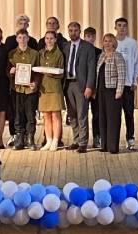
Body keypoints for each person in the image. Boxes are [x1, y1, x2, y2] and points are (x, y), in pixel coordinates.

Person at [4, 14, 38, 147]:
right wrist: (10, 72)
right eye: (20, 37)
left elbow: (37, 71)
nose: (22, 40)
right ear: (16, 39)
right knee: (17, 114)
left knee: (30, 115)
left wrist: (35, 83)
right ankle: (19, 138)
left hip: (30, 89)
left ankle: (30, 138)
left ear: (28, 38)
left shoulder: (35, 54)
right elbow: (7, 70)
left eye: (24, 37)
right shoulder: (11, 54)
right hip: (16, 88)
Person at [63, 21, 96, 153]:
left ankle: (83, 142)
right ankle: (76, 140)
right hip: (67, 84)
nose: (73, 33)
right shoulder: (65, 46)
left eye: (75, 30)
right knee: (72, 114)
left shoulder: (88, 47)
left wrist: (89, 86)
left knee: (82, 114)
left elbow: (91, 68)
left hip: (81, 84)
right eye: (70, 30)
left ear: (80, 31)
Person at [97, 33, 126, 154]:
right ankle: (104, 145)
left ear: (114, 43)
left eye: (110, 41)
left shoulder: (117, 56)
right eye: (105, 41)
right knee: (102, 118)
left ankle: (113, 146)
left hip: (113, 91)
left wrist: (119, 90)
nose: (107, 43)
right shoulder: (101, 56)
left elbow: (122, 75)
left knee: (113, 118)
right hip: (101, 90)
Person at [114, 17, 138, 151]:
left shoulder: (132, 43)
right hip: (114, 85)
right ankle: (114, 140)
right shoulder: (111, 42)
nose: (122, 28)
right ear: (115, 27)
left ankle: (130, 139)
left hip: (128, 83)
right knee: (115, 115)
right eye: (119, 25)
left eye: (124, 25)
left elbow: (137, 62)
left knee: (129, 113)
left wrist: (135, 80)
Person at [38, 30, 65, 150]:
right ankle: (48, 140)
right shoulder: (40, 53)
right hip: (43, 88)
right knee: (46, 115)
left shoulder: (59, 54)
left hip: (54, 87)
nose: (49, 40)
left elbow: (61, 72)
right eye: (47, 38)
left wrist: (50, 72)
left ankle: (55, 140)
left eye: (51, 38)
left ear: (55, 40)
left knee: (55, 115)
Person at [84, 27, 102, 148]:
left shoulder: (99, 52)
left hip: (95, 89)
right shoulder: (80, 50)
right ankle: (82, 139)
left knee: (97, 115)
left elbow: (98, 73)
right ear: (84, 37)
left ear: (95, 37)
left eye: (92, 36)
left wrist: (94, 88)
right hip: (82, 88)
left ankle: (97, 138)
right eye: (88, 36)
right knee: (82, 115)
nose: (90, 39)